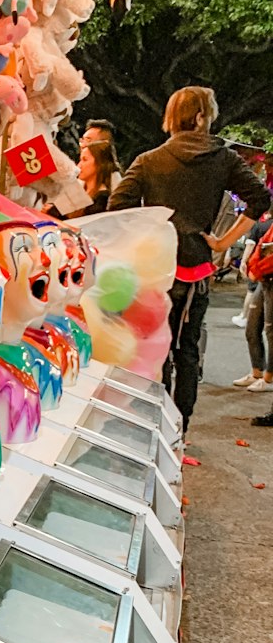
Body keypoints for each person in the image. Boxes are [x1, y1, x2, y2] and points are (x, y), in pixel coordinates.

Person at [108, 86, 271, 432]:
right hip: (196, 267)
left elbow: (117, 205)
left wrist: (150, 232)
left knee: (155, 346)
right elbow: (258, 199)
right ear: (201, 118)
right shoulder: (223, 159)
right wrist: (223, 241)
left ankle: (154, 421)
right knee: (188, 348)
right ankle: (180, 427)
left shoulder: (149, 161)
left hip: (156, 269)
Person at [231, 216, 273, 391]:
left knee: (271, 330)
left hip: (267, 277)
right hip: (263, 279)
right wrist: (253, 268)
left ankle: (269, 379)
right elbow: (261, 245)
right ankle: (257, 372)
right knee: (252, 327)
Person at [74, 138, 121, 216]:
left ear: (99, 164)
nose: (79, 165)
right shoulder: (79, 190)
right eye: (80, 160)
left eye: (85, 160)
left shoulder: (101, 201)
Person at [80, 118, 123, 188]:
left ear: (103, 145)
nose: (82, 145)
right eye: (82, 140)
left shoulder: (115, 185)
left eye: (88, 140)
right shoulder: (82, 174)